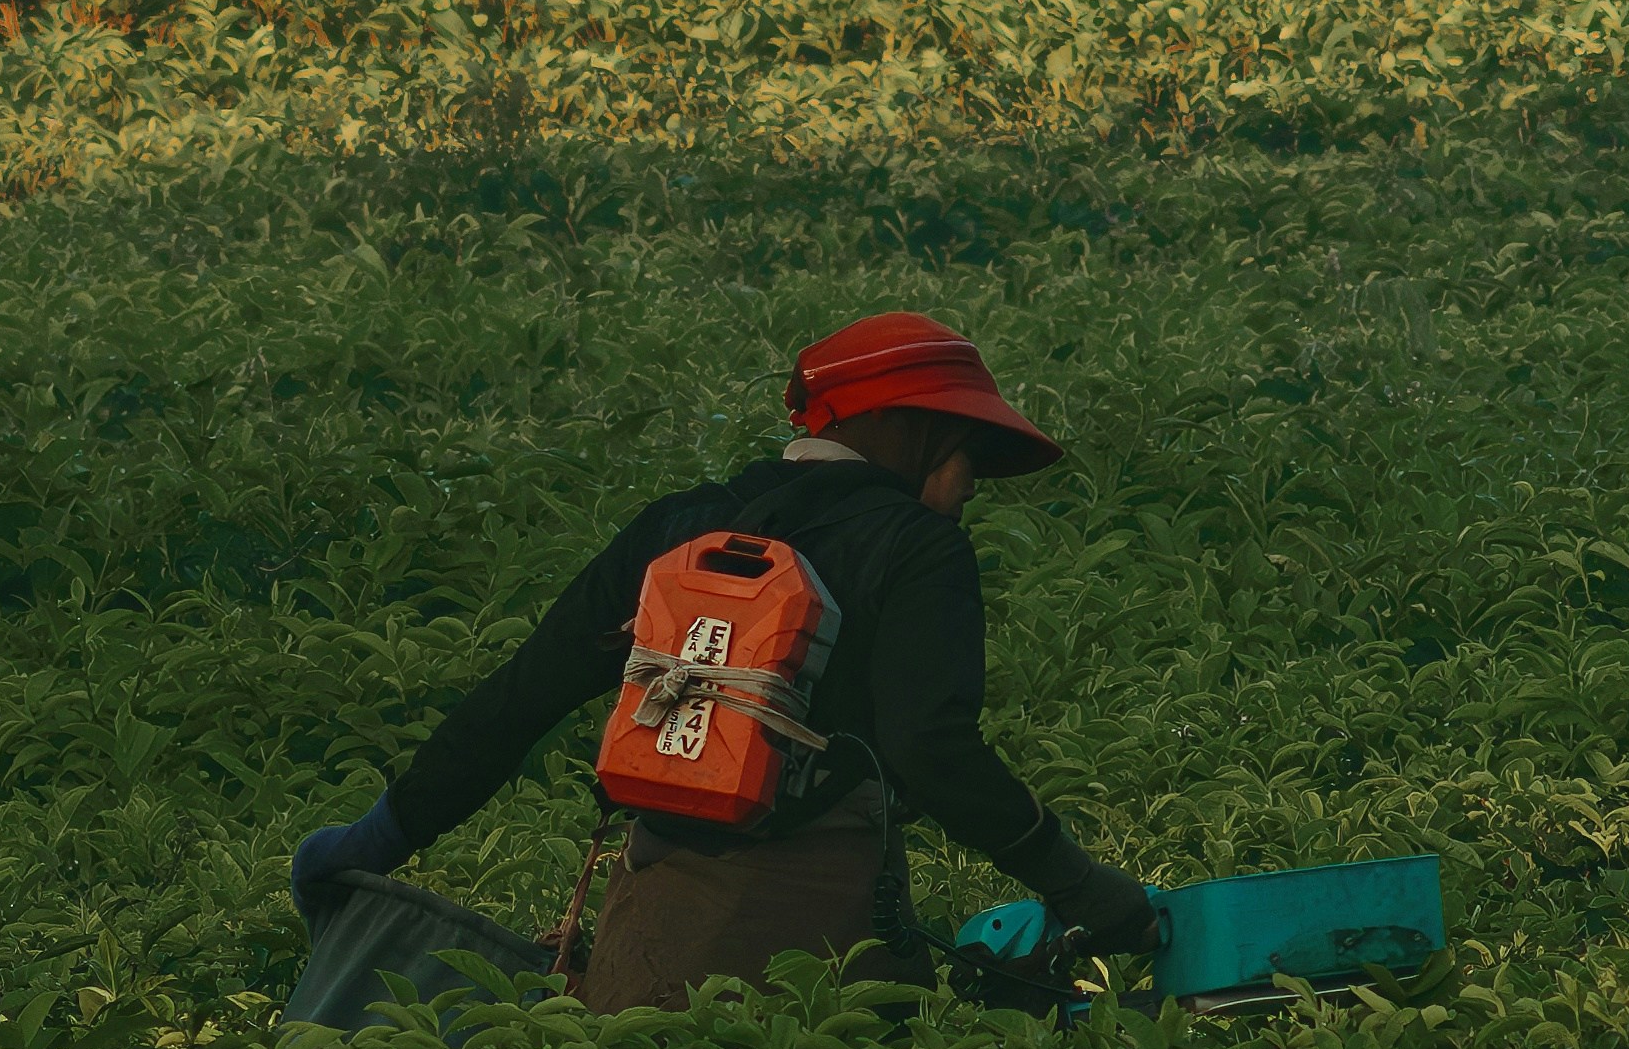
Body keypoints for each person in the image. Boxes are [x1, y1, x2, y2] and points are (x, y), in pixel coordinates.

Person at [292, 311, 1161, 1013]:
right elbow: (932, 748)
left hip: (654, 928)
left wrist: (380, 836)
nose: (972, 486)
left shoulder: (679, 526)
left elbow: (522, 697)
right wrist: (1079, 882)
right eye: (968, 453)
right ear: (910, 428)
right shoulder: (917, 547)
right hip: (824, 953)